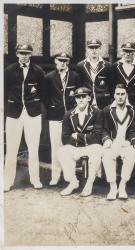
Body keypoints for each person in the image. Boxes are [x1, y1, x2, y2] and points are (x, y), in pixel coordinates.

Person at [4, 44, 46, 191]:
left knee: (33, 148)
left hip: (33, 114)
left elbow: (43, 92)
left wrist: (36, 106)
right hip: (14, 114)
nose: (24, 56)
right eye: (21, 53)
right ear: (17, 54)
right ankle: (7, 181)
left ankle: (35, 179)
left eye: (27, 53)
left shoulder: (38, 71)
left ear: (31, 54)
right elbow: (4, 91)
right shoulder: (9, 70)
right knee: (11, 149)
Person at [57, 87, 103, 197]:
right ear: (75, 99)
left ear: (89, 98)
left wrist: (77, 136)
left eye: (83, 97)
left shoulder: (97, 113)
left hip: (92, 146)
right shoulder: (69, 114)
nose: (81, 99)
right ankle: (73, 182)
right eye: (78, 97)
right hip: (76, 146)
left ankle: (89, 183)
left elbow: (97, 137)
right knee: (62, 151)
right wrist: (85, 137)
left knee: (97, 151)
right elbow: (65, 138)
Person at [45, 52, 80, 186]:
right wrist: (53, 108)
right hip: (55, 116)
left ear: (68, 62)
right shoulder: (49, 77)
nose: (62, 63)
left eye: (65, 61)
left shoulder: (75, 76)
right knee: (56, 147)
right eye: (60, 60)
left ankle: (70, 176)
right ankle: (55, 175)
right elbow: (45, 96)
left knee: (71, 146)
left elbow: (78, 95)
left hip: (72, 118)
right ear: (55, 61)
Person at [102, 84, 135, 200]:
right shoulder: (107, 110)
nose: (120, 97)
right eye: (118, 94)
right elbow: (105, 129)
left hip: (126, 142)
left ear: (126, 95)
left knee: (131, 155)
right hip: (113, 141)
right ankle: (113, 187)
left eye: (122, 94)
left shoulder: (133, 110)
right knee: (106, 155)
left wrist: (130, 141)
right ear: (114, 95)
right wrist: (107, 140)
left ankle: (122, 186)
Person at [76, 39, 112, 110]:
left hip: (103, 102)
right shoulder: (81, 65)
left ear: (100, 49)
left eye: (96, 47)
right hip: (87, 101)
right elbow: (79, 84)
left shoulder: (107, 65)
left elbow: (111, 84)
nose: (94, 50)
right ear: (87, 49)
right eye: (91, 48)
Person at [111, 42, 135, 107]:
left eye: (130, 51)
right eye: (125, 51)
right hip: (119, 101)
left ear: (134, 52)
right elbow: (111, 85)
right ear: (122, 51)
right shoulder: (115, 66)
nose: (128, 54)